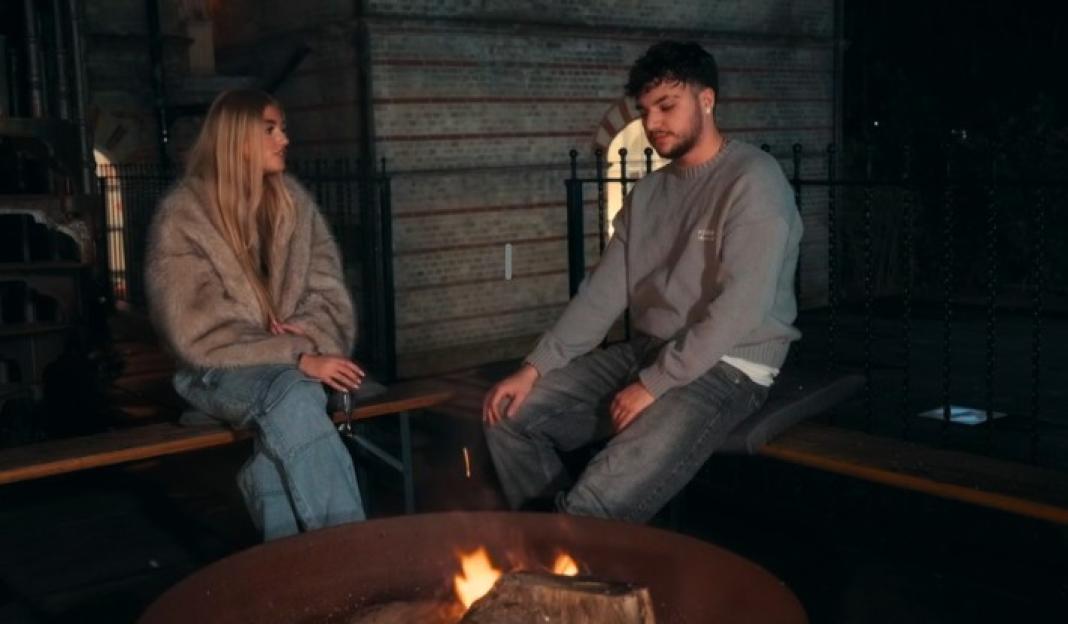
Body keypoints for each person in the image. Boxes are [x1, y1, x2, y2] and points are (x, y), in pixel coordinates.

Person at [482, 41, 803, 523]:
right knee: (508, 418)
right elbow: (604, 291)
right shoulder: (649, 191)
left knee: (593, 505)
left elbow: (742, 307)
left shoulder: (754, 179)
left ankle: (572, 554)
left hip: (731, 363)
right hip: (651, 349)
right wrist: (535, 367)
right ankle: (560, 553)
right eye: (646, 109)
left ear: (707, 100)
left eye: (667, 106)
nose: (653, 123)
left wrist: (654, 385)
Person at [146, 89, 368, 540]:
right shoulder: (184, 215)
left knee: (289, 412)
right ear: (237, 138)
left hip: (291, 371)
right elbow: (198, 329)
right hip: (217, 371)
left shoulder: (295, 206)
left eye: (283, 128)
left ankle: (286, 567)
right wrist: (294, 353)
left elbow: (328, 292)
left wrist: (306, 333)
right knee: (293, 391)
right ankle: (351, 547)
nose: (284, 139)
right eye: (270, 129)